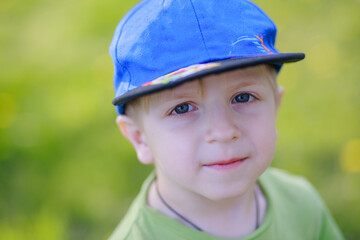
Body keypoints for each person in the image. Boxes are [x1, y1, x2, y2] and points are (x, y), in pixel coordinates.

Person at [107, 0, 344, 239]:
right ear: (140, 138)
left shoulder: (301, 206)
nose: (223, 131)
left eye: (242, 97)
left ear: (276, 107)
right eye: (182, 108)